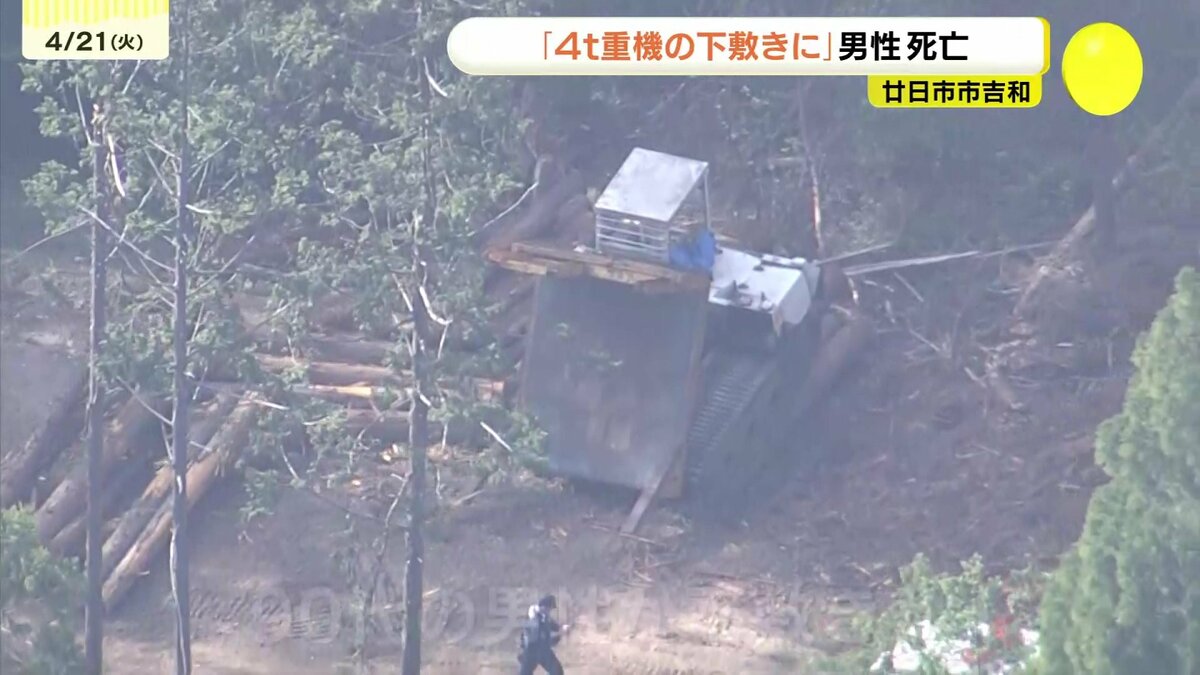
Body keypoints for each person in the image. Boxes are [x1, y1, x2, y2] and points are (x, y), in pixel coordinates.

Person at [518, 594, 566, 674]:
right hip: (532, 651)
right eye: (549, 608)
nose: (549, 611)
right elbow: (538, 635)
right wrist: (558, 636)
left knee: (557, 671)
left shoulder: (543, 616)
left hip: (543, 650)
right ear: (543, 606)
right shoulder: (532, 616)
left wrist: (561, 627)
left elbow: (551, 624)